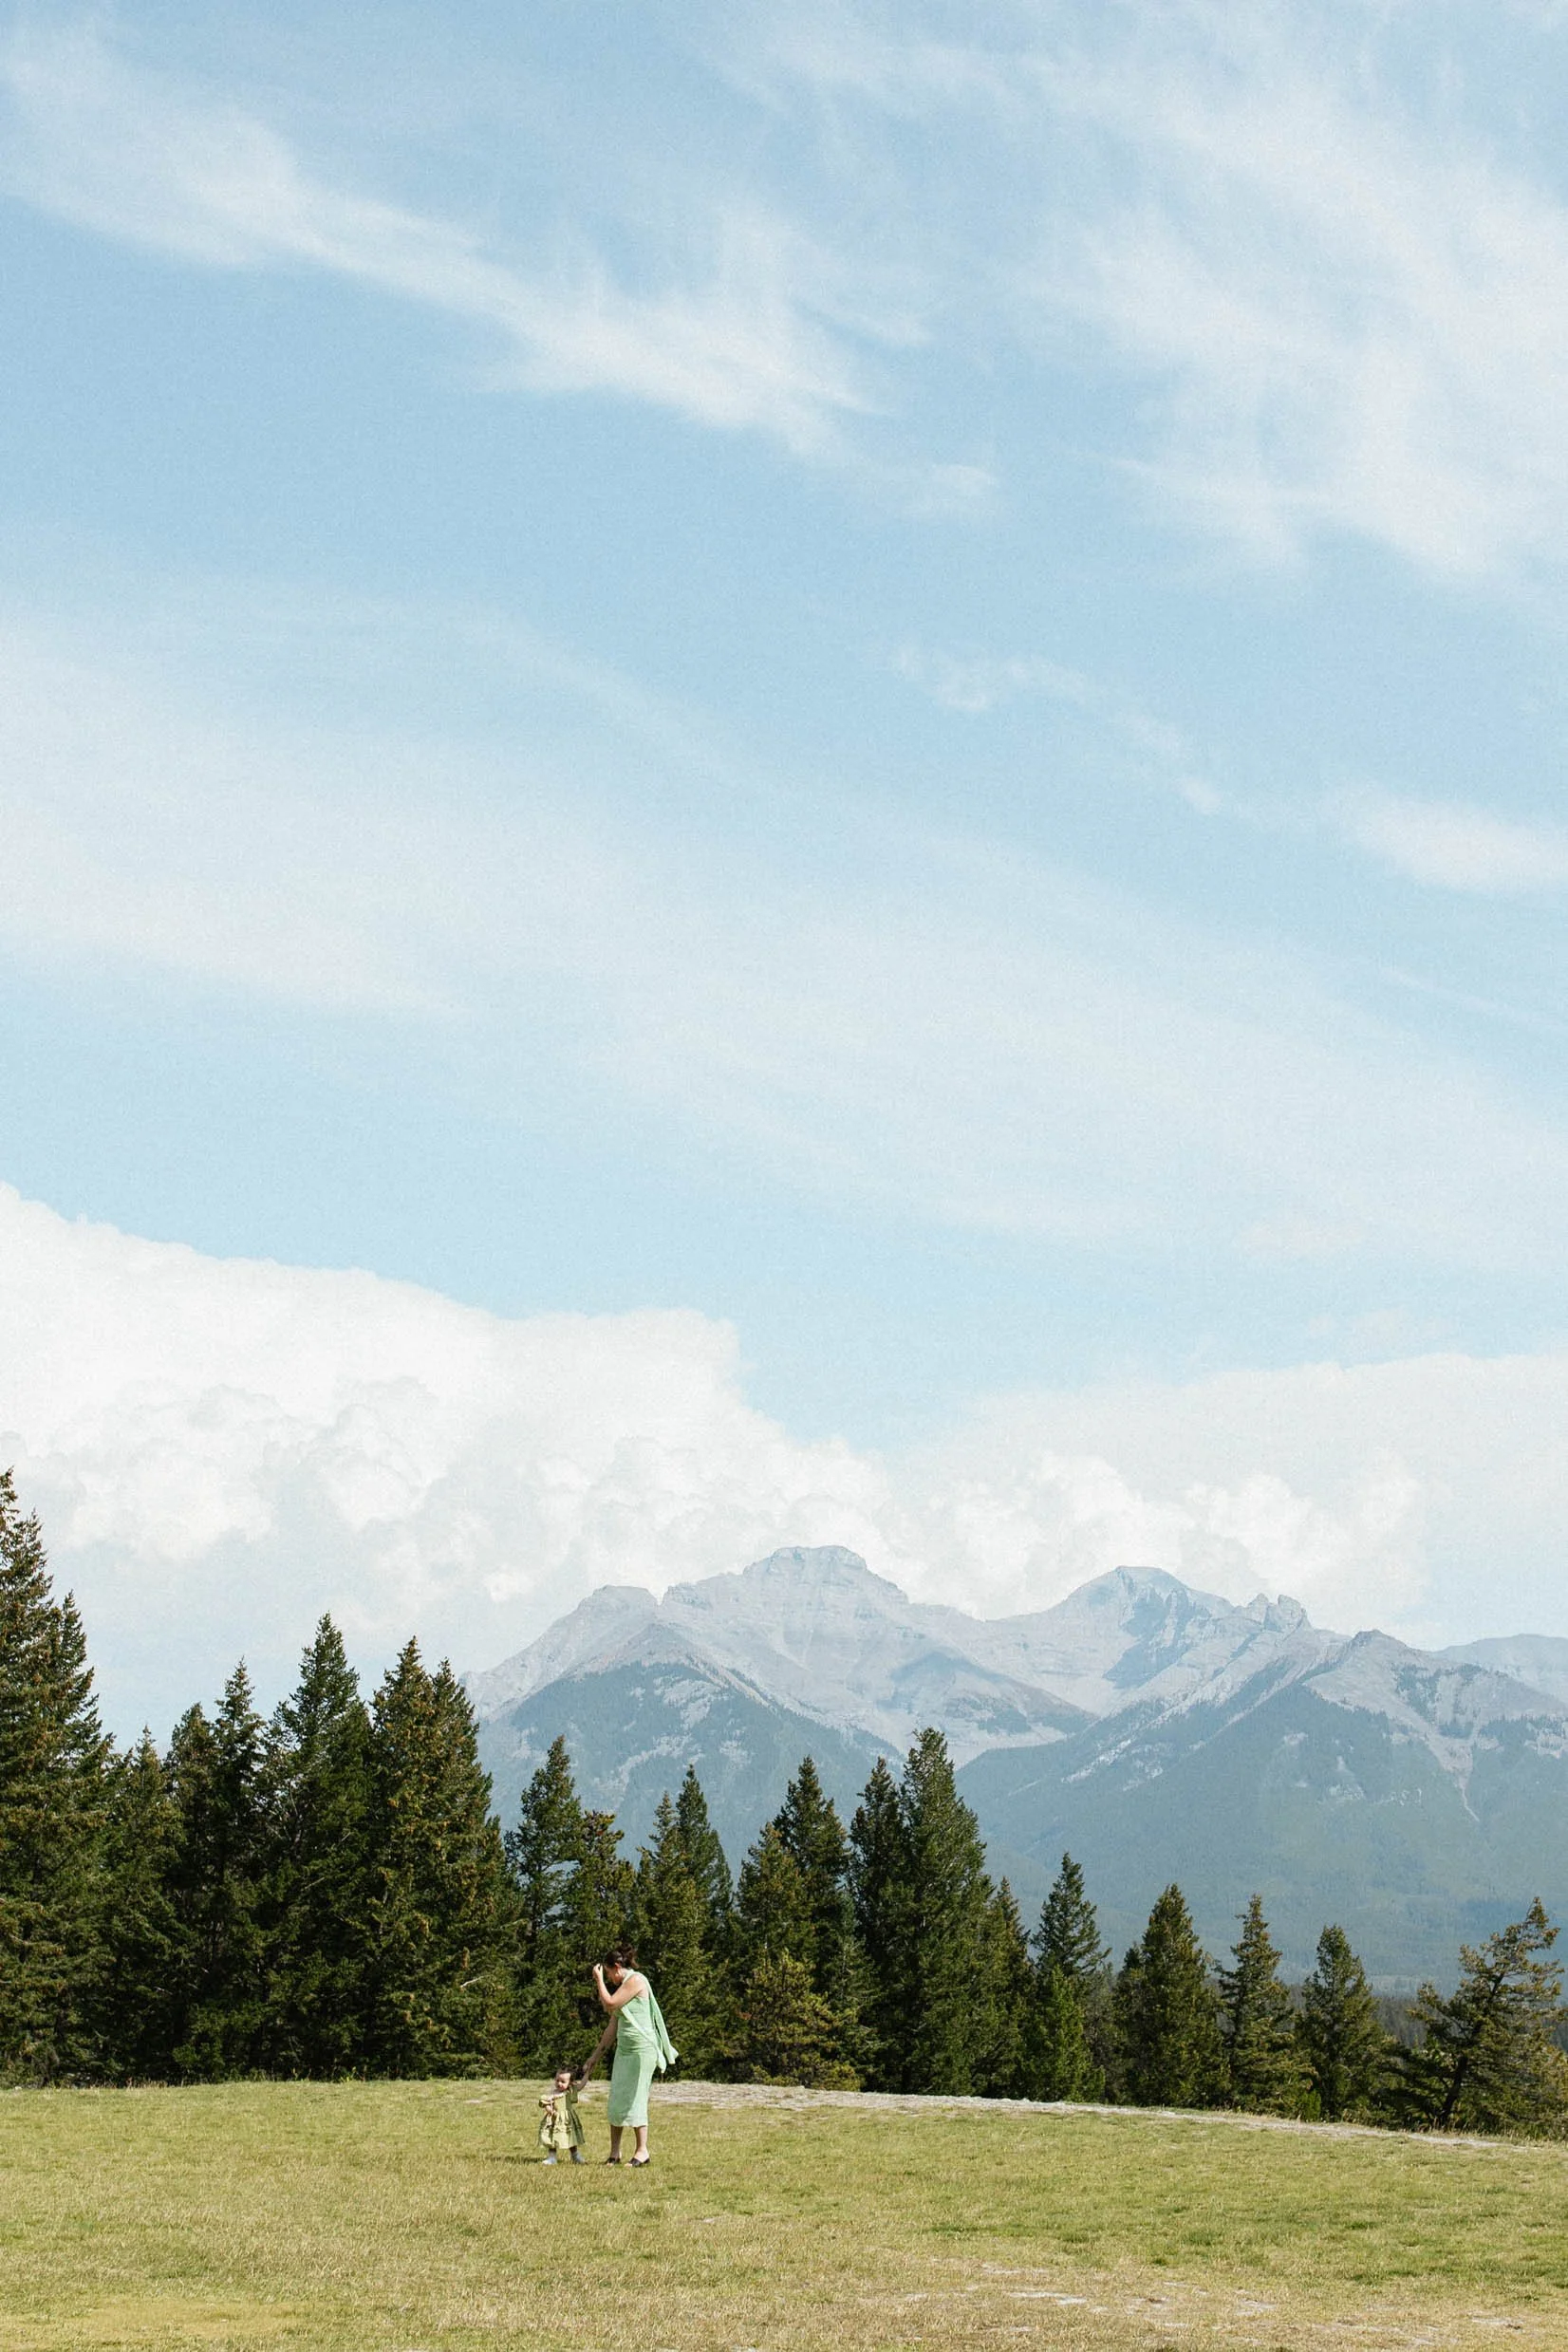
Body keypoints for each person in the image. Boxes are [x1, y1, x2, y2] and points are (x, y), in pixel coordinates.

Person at [580, 1945, 677, 2166]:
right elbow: (612, 2025)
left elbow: (609, 2003)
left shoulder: (635, 1981)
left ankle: (642, 2151)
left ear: (616, 1967)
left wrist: (598, 1980)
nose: (609, 1978)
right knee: (617, 2099)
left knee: (636, 2098)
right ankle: (615, 2153)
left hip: (642, 2051)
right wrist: (594, 2057)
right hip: (625, 2051)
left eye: (608, 1973)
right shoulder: (623, 1987)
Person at [536, 2063, 586, 2165]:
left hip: (567, 2119)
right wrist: (549, 2108)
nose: (559, 2083)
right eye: (557, 2080)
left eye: (563, 2081)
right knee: (552, 2137)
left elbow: (581, 2086)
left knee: (570, 2136)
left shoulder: (569, 2092)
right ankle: (552, 2157)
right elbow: (545, 2102)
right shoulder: (553, 2093)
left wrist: (587, 2074)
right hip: (554, 2119)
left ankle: (575, 2155)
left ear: (570, 2083)